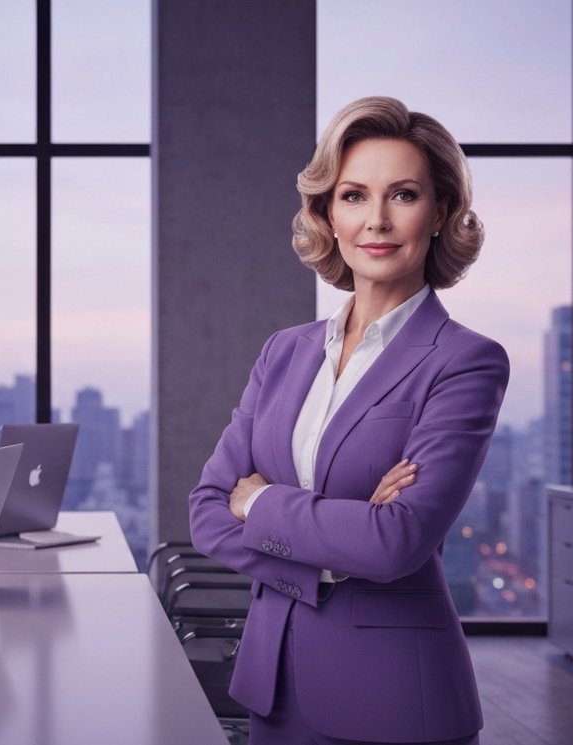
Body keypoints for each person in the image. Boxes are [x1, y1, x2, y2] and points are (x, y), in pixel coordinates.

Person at [188, 96, 509, 745]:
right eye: (355, 195)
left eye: (405, 194)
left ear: (440, 210)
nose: (378, 220)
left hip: (395, 698)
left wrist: (265, 501)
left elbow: (396, 542)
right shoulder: (285, 351)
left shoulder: (466, 361)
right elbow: (208, 512)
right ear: (327, 214)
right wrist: (339, 540)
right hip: (274, 687)